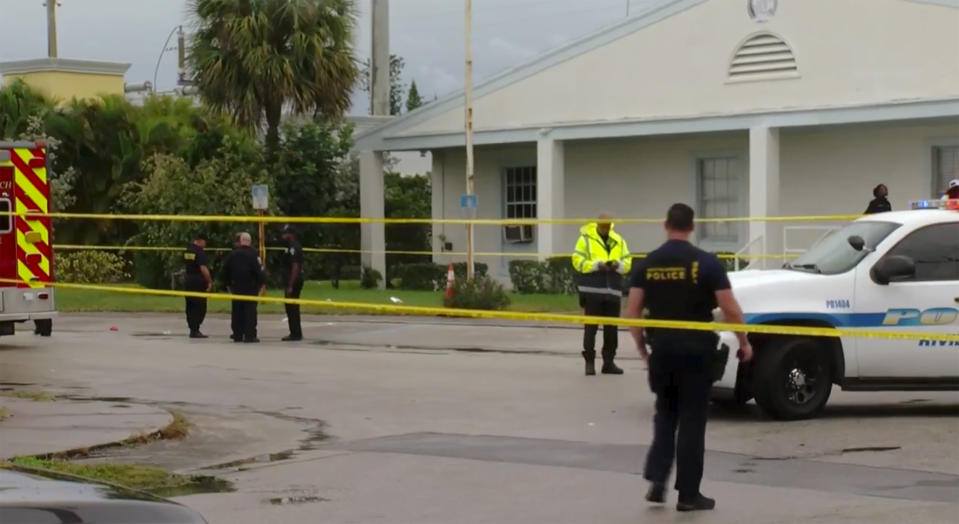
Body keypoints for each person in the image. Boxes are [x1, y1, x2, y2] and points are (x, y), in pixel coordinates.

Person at [626, 203, 752, 512]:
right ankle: (688, 494)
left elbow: (633, 313)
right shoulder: (706, 263)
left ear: (665, 224)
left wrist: (643, 348)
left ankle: (658, 480)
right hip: (696, 353)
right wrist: (744, 342)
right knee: (693, 421)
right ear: (692, 227)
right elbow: (730, 308)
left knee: (665, 416)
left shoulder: (647, 264)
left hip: (663, 351)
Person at [571, 212, 632, 376]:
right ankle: (589, 362)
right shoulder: (585, 239)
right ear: (597, 224)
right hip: (592, 291)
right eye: (602, 226)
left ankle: (609, 362)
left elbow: (627, 263)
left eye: (607, 226)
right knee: (591, 328)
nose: (605, 229)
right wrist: (596, 265)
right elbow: (577, 261)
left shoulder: (618, 240)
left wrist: (617, 265)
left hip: (612, 290)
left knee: (611, 328)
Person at [220, 232, 265, 343]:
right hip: (251, 286)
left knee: (237, 310)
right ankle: (249, 335)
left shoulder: (232, 254)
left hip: (236, 286)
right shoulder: (254, 255)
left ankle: (237, 334)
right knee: (250, 311)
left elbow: (225, 270)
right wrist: (262, 283)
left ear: (240, 241)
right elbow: (259, 271)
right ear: (249, 241)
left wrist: (227, 284)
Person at [183, 232, 213, 339]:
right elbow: (203, 268)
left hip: (188, 280)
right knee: (200, 306)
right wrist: (209, 281)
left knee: (190, 305)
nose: (205, 245)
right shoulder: (199, 252)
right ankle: (195, 329)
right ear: (200, 240)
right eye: (205, 242)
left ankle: (193, 329)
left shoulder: (188, 250)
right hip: (198, 281)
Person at [281, 225, 305, 342]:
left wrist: (290, 285)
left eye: (286, 234)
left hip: (294, 281)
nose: (283, 236)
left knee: (292, 307)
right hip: (291, 280)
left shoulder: (294, 247)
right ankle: (295, 332)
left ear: (291, 234)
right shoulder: (290, 246)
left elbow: (295, 267)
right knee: (291, 307)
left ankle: (295, 333)